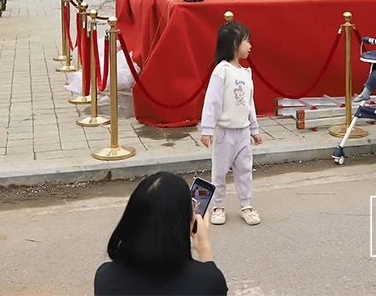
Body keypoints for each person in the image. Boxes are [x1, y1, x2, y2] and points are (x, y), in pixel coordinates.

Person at [94, 172, 228, 296]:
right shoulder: (209, 282)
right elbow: (212, 284)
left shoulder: (105, 278)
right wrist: (205, 248)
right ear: (184, 224)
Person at [199, 21, 262, 226]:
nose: (250, 46)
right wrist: (208, 129)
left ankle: (246, 205)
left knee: (245, 169)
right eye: (247, 41)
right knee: (220, 170)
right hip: (224, 132)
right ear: (235, 44)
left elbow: (249, 104)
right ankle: (218, 206)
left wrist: (254, 129)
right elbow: (213, 101)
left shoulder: (246, 74)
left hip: (243, 132)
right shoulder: (222, 71)